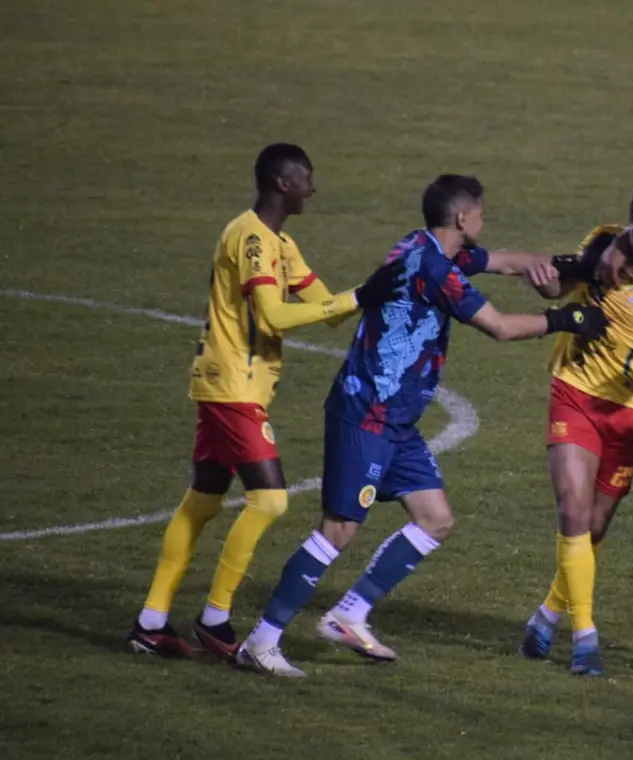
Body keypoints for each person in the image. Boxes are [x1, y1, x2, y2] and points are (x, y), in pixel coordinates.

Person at [234, 174, 608, 677]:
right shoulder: (434, 268)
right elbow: (497, 326)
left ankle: (351, 614)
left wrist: (573, 265)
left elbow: (501, 261)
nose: (482, 219)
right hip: (366, 414)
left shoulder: (421, 245)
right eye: (479, 211)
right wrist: (567, 320)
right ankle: (262, 640)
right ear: (462, 218)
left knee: (435, 518)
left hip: (398, 422)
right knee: (338, 530)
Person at [127, 143, 402, 660]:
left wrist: (376, 293)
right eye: (306, 178)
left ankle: (151, 622)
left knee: (204, 500)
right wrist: (358, 297)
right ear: (282, 182)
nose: (312, 188)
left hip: (232, 383)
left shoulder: (280, 243)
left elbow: (328, 307)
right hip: (233, 385)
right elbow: (275, 317)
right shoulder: (251, 238)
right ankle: (216, 619)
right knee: (271, 500)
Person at [517, 182, 633, 676]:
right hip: (575, 389)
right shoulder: (605, 240)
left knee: (595, 527)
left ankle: (545, 616)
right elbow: (565, 283)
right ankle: (585, 639)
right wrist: (544, 284)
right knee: (573, 512)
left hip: (631, 409)